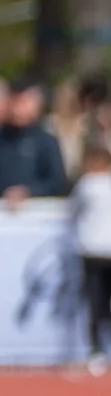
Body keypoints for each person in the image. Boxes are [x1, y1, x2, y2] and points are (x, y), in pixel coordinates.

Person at [0, 73, 67, 205]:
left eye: (25, 101)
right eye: (15, 100)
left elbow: (56, 182)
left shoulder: (45, 142)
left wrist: (29, 192)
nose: (18, 108)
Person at [72, 143, 111, 374]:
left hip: (93, 250)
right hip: (98, 250)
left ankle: (97, 350)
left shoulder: (87, 185)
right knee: (99, 302)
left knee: (96, 302)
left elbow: (73, 211)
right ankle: (98, 349)